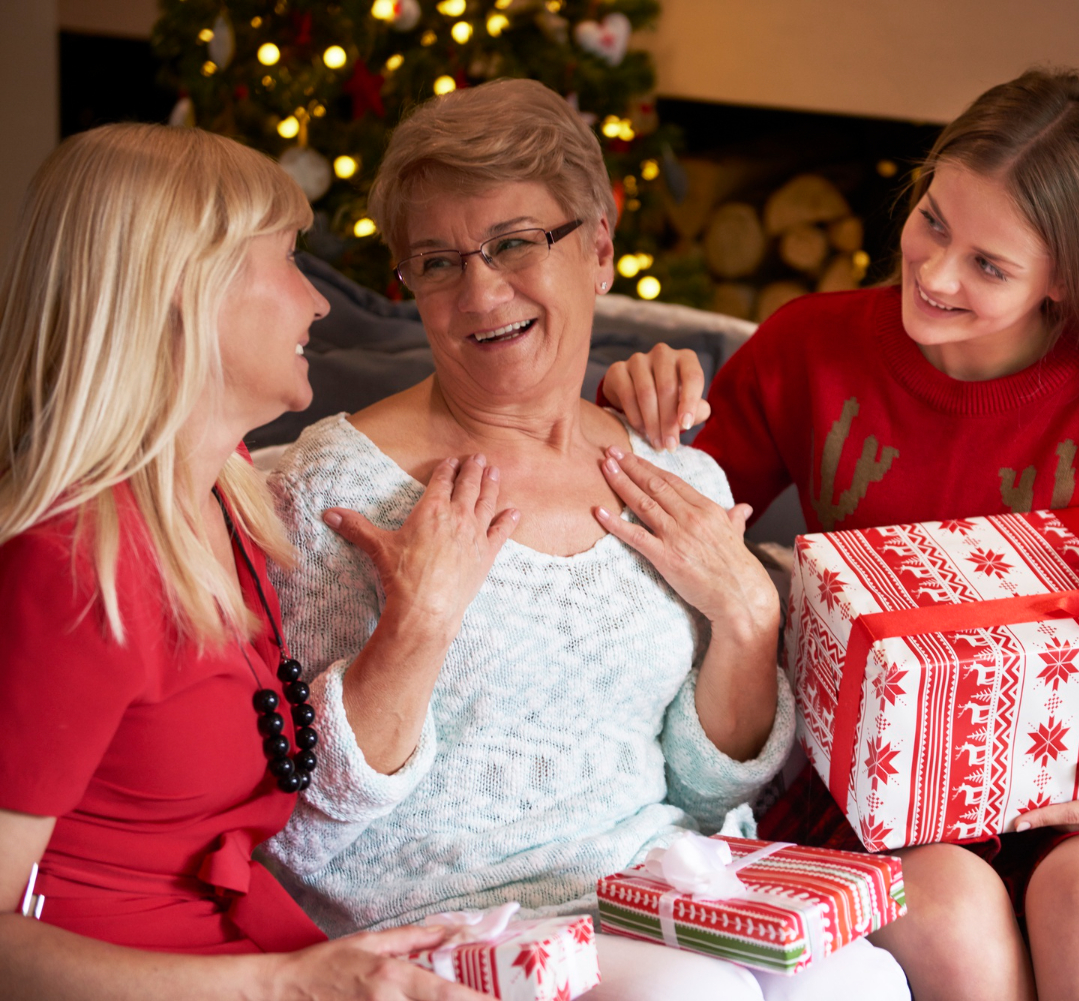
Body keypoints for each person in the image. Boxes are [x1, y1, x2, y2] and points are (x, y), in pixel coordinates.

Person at [600, 69, 1079, 1001]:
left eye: (989, 265)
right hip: (885, 805)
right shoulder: (814, 347)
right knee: (948, 900)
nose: (932, 274)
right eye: (932, 221)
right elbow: (671, 506)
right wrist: (630, 415)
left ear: (1066, 279)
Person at [258, 79, 908, 1001]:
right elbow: (300, 821)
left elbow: (704, 791)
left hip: (649, 894)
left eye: (516, 243)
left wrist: (748, 615)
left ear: (599, 248)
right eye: (437, 263)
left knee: (858, 977)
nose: (481, 291)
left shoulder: (674, 476)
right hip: (443, 923)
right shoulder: (336, 486)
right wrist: (419, 622)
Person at [0, 125, 491, 999]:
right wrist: (283, 986)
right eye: (291, 259)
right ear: (189, 285)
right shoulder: (72, 568)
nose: (318, 303)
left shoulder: (234, 510)